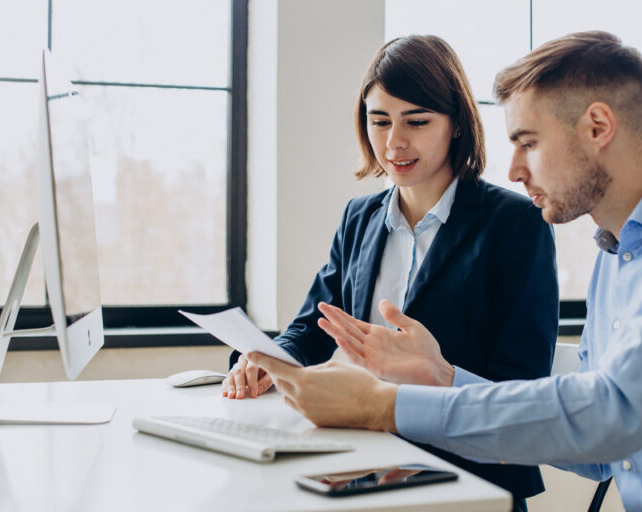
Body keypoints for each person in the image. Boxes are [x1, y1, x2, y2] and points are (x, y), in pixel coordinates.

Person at [248, 31, 642, 512]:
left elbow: (612, 412)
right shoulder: (616, 254)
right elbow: (601, 454)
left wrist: (385, 405)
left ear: (598, 126)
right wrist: (442, 378)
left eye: (528, 142)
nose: (513, 169)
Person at [224, 35, 559, 509]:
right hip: (368, 463)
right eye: (379, 121)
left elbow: (521, 388)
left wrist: (431, 374)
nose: (394, 142)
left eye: (416, 121)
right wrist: (269, 360)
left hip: (466, 477)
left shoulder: (515, 225)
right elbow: (314, 326)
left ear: (457, 124)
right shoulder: (359, 218)